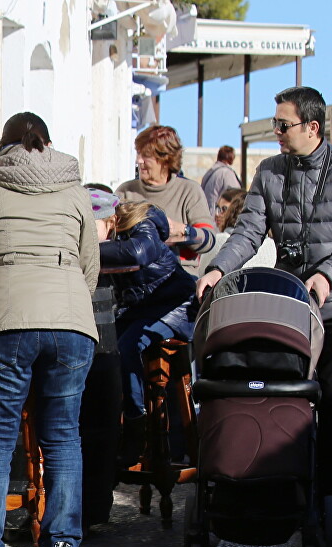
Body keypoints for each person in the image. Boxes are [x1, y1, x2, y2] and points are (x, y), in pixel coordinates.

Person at [196, 86, 332, 536]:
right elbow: (249, 231)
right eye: (274, 124)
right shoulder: (269, 172)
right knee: (283, 397)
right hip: (292, 309)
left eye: (283, 125)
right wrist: (217, 269)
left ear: (312, 128)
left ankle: (331, 496)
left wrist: (329, 275)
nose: (276, 132)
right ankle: (280, 487)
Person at [0, 112, 100, 547]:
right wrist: (68, 306)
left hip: (5, 320)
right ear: (47, 143)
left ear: (3, 144)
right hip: (70, 321)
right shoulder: (74, 190)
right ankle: (63, 544)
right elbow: (89, 265)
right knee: (63, 434)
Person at [90, 191, 196, 464]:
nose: (88, 236)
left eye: (92, 228)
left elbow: (140, 252)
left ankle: (137, 424)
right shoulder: (107, 239)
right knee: (103, 351)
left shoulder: (141, 221)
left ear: (110, 219)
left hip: (174, 305)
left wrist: (84, 250)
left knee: (127, 347)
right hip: (139, 307)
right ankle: (111, 429)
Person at [117, 125, 217, 275]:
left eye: (146, 155)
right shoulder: (125, 192)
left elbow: (208, 239)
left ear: (165, 159)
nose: (139, 160)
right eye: (138, 154)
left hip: (179, 279)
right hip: (133, 281)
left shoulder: (189, 191)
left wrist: (182, 230)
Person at [200, 144, 242, 211]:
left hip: (208, 215)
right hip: (220, 216)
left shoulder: (210, 173)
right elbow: (235, 197)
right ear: (231, 157)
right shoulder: (226, 173)